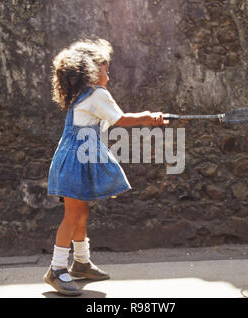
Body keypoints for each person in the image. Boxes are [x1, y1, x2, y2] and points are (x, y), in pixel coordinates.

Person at [44, 38, 169, 296]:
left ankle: (81, 262)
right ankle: (56, 269)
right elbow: (120, 119)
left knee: (81, 212)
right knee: (72, 215)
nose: (108, 77)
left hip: (77, 159)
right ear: (91, 70)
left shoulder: (83, 95)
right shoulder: (97, 94)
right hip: (76, 161)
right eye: (105, 69)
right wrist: (149, 117)